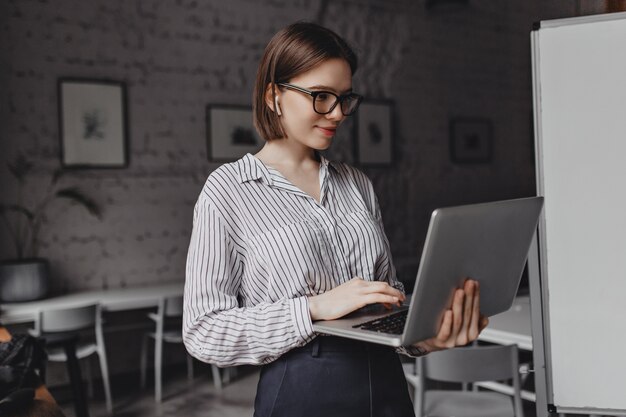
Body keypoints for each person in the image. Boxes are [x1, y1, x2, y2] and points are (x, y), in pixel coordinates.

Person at [183, 21, 488, 417]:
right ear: (274, 95)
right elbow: (203, 331)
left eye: (345, 98)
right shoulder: (227, 190)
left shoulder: (356, 183)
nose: (338, 113)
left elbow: (387, 299)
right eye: (321, 96)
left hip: (387, 386)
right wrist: (312, 308)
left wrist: (427, 337)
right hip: (302, 390)